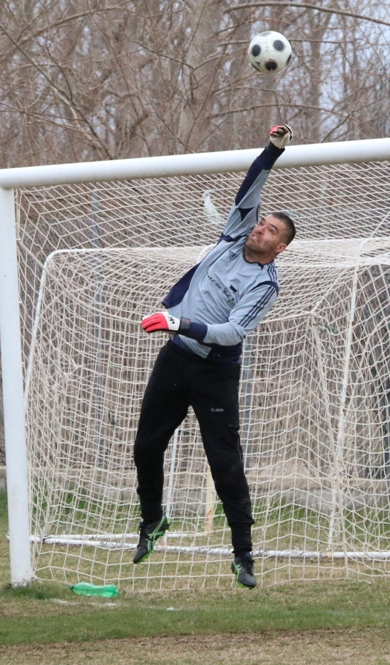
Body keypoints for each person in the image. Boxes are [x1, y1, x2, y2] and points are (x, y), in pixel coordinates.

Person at [131, 124, 296, 588]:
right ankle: (152, 521)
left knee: (225, 465)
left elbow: (232, 331)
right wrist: (273, 150)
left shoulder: (265, 284)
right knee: (146, 447)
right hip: (175, 360)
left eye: (270, 231)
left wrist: (177, 322)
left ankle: (244, 555)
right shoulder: (231, 238)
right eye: (261, 222)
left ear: (278, 248)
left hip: (215, 373)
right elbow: (252, 185)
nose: (260, 228)